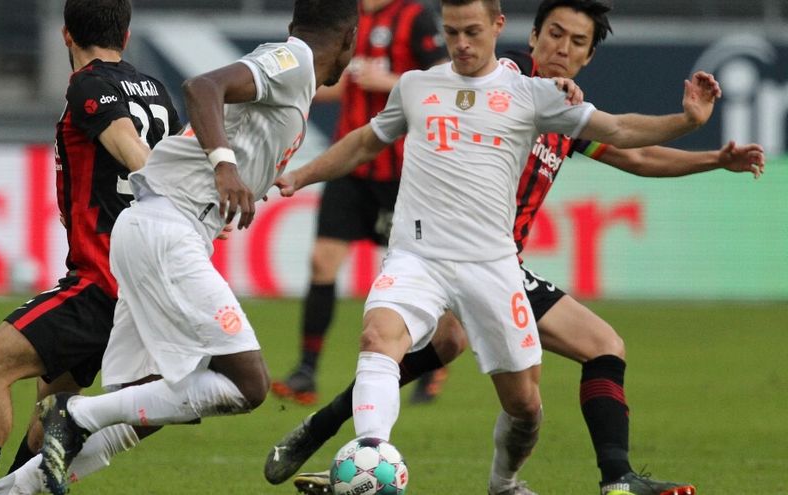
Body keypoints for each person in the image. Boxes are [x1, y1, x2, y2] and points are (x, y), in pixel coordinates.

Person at [264, 1, 765, 494]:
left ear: (589, 55)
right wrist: (302, 176)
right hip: (431, 251)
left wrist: (710, 155)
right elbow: (451, 91)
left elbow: (634, 151)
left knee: (502, 381)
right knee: (398, 338)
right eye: (555, 34)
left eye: (577, 42)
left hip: (497, 264)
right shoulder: (502, 80)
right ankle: (612, 478)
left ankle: (334, 428)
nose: (562, 49)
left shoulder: (556, 106)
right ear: (530, 35)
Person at [27, 2, 360, 494]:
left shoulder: (295, 76)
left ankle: (12, 489)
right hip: (167, 230)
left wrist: (240, 179)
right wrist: (225, 166)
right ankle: (73, 413)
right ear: (350, 38)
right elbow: (202, 86)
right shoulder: (295, 61)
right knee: (248, 384)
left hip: (154, 228)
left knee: (142, 408)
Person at [0, 1, 181, 494]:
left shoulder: (88, 85)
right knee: (53, 402)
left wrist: (162, 194)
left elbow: (136, 155)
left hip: (102, 280)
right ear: (127, 35)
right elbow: (180, 165)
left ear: (65, 35)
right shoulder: (157, 91)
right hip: (138, 283)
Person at [272, 0, 450, 407]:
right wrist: (300, 89)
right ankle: (306, 371)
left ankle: (432, 364)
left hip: (402, 171)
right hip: (351, 165)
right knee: (322, 260)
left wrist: (388, 80)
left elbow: (444, 81)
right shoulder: (349, 14)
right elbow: (343, 85)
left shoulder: (415, 16)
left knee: (418, 272)